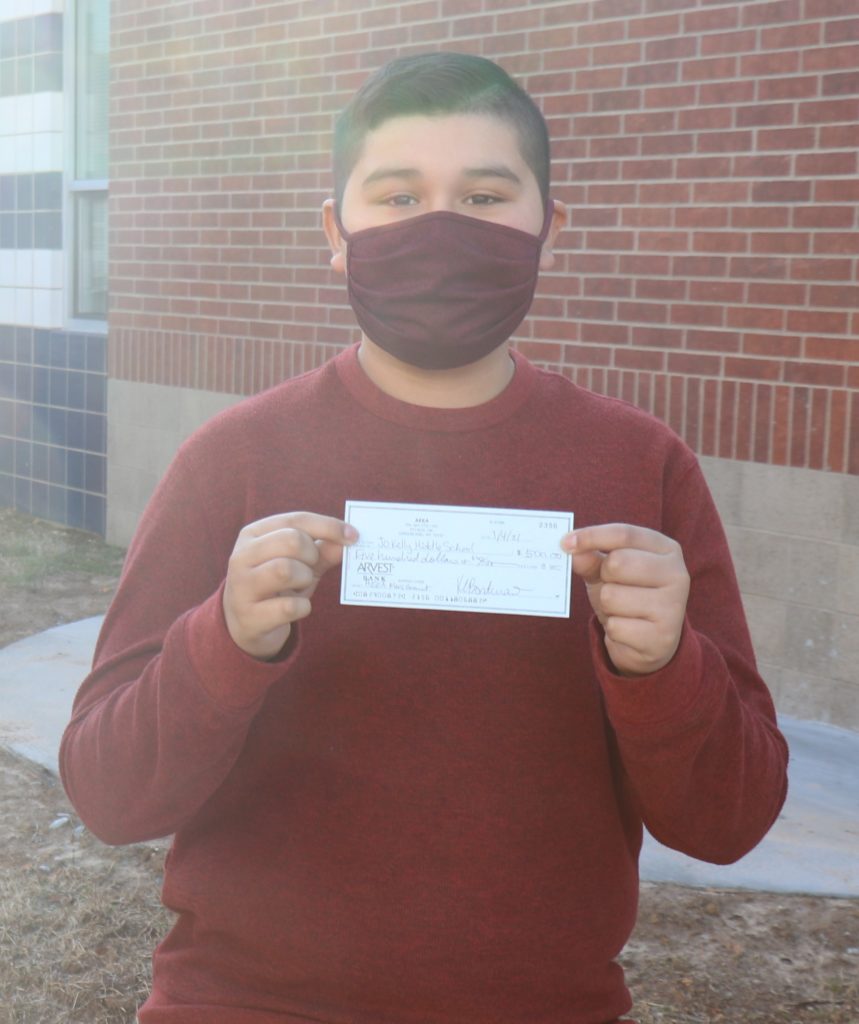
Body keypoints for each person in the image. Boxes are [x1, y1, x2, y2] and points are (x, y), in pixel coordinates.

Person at [60, 52, 788, 1024]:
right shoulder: (232, 461)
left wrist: (665, 665)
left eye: (485, 195)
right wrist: (222, 641)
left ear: (547, 229)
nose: (441, 229)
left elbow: (730, 820)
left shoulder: (641, 472)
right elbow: (108, 793)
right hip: (242, 1002)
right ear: (337, 231)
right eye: (398, 195)